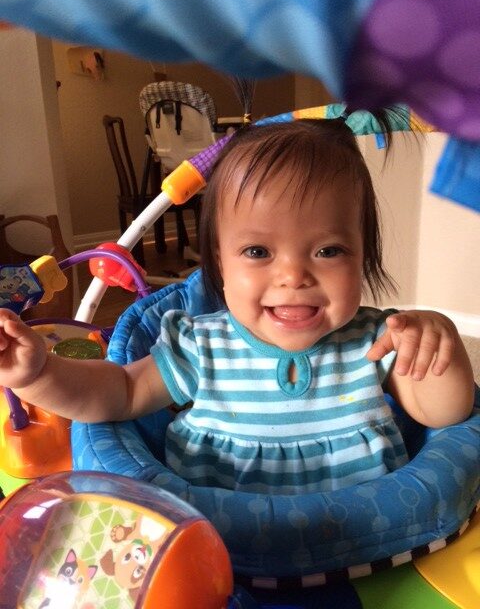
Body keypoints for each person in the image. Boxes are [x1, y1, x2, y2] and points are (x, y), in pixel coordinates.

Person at [0, 119, 474, 495]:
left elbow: (445, 415)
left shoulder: (376, 341)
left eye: (328, 251)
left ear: (363, 255)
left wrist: (439, 344)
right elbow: (119, 392)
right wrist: (38, 375)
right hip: (222, 557)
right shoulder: (201, 345)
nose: (293, 276)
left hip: (372, 551)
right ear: (220, 266)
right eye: (257, 252)